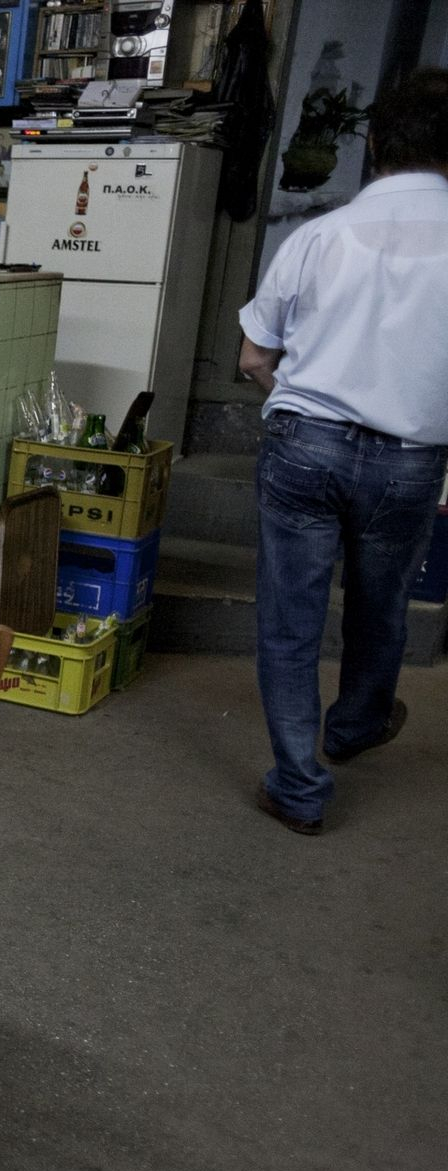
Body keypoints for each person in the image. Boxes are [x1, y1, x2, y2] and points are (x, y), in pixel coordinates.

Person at [238, 68, 448, 835]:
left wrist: (299, 407)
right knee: (381, 604)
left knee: (290, 619)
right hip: (410, 458)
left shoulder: (318, 236)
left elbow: (254, 357)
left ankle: (298, 786)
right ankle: (355, 725)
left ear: (374, 142)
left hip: (305, 446)